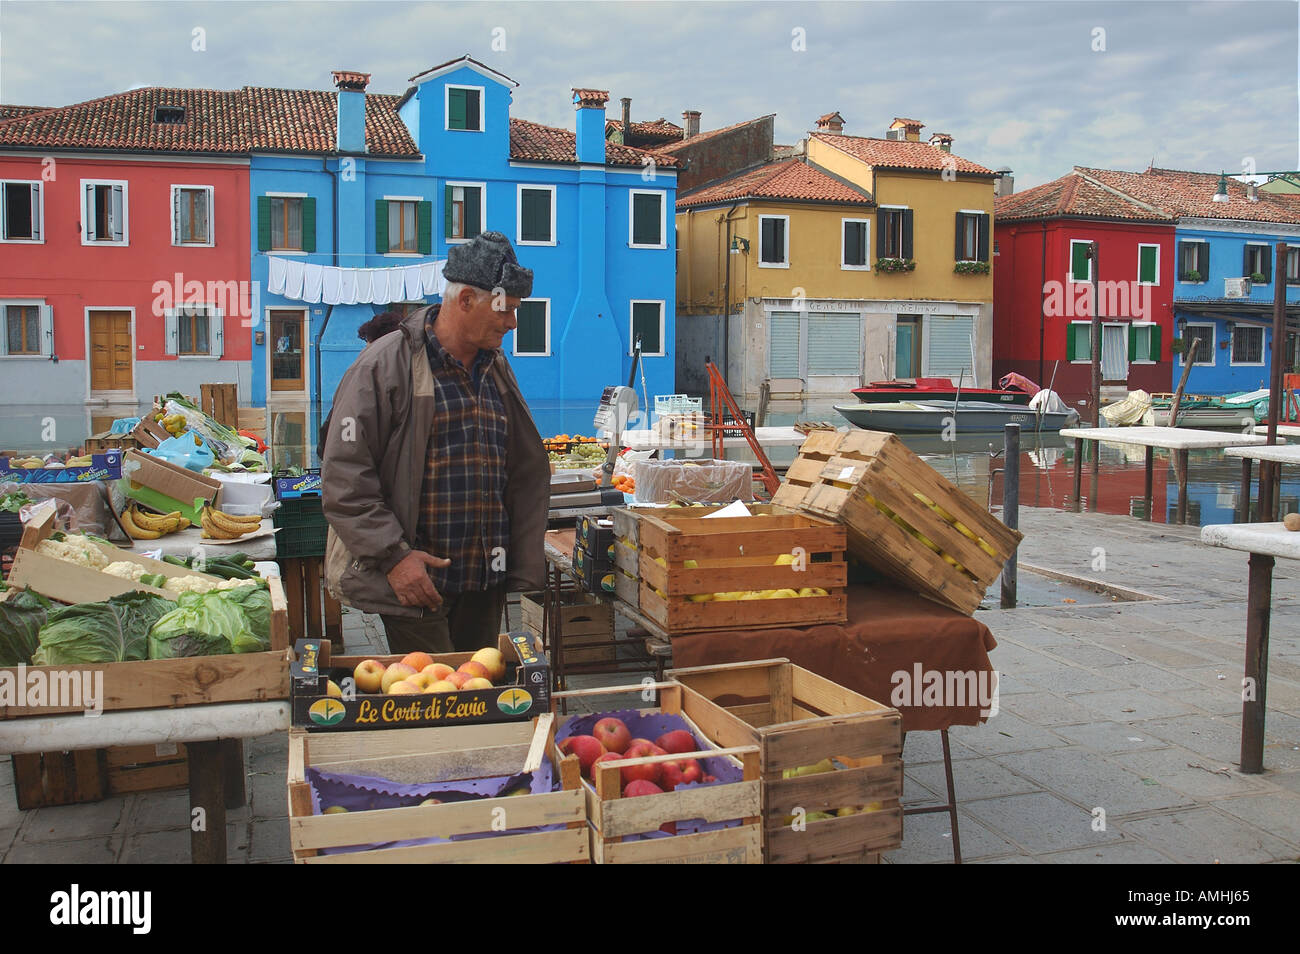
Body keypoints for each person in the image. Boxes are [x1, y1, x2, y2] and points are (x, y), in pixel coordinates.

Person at [321, 232, 548, 655]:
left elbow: (515, 467)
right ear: (465, 301)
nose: (513, 323)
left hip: (482, 582)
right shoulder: (384, 366)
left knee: (477, 696)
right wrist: (394, 558)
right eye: (506, 309)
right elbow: (344, 477)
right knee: (433, 705)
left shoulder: (495, 367)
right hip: (416, 584)